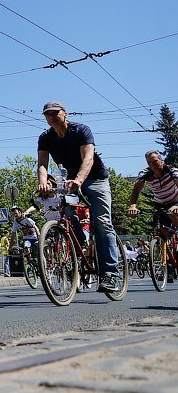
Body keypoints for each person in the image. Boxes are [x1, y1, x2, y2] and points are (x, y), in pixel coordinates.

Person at [37, 101, 120, 292]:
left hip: (94, 179)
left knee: (101, 222)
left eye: (54, 113)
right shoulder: (45, 137)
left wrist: (79, 180)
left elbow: (88, 158)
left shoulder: (81, 130)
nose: (51, 117)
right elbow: (42, 163)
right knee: (65, 212)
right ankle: (79, 245)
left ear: (65, 114)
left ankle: (110, 274)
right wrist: (43, 181)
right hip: (69, 181)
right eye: (47, 115)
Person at [127, 150, 178, 227]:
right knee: (161, 231)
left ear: (161, 160)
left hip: (175, 201)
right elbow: (136, 190)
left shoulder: (172, 171)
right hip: (160, 204)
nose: (152, 165)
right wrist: (132, 206)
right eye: (149, 162)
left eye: (154, 162)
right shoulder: (145, 174)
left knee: (171, 212)